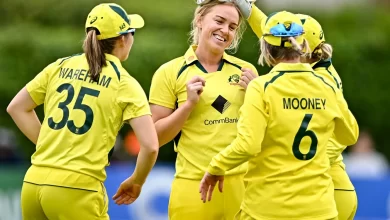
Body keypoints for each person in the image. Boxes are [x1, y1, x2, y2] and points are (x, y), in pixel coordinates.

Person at [199, 11, 359, 220]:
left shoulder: (262, 87)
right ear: (303, 46)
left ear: (266, 49)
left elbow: (248, 145)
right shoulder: (327, 85)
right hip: (319, 210)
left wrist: (216, 167)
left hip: (267, 210)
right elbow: (349, 136)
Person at [6, 3, 159, 220]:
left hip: (33, 183)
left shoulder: (59, 66)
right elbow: (151, 146)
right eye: (132, 33)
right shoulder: (124, 82)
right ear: (123, 39)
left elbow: (17, 108)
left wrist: (51, 147)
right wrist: (137, 181)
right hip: (78, 188)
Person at [149, 0, 258, 219]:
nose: (225, 30)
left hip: (243, 187)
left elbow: (264, 131)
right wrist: (187, 106)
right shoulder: (170, 72)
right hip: (193, 188)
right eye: (219, 21)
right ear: (199, 19)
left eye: (232, 26)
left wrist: (259, 94)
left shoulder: (247, 72)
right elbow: (154, 138)